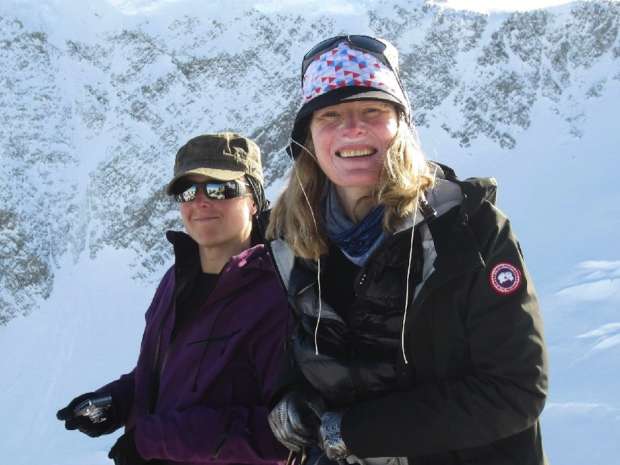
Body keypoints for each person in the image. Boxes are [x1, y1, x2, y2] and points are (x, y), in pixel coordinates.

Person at [265, 35, 549, 465]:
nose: (352, 128)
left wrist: (356, 433)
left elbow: (515, 389)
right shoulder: (290, 243)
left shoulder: (469, 230)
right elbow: (297, 360)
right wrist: (292, 401)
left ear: (401, 123)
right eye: (331, 115)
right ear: (307, 137)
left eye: (372, 110)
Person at [57, 133, 289, 465]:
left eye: (219, 188)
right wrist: (116, 402)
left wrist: (154, 440)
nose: (201, 201)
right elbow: (164, 372)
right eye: (187, 191)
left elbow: (284, 433)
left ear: (253, 200)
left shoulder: (276, 292)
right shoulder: (176, 279)